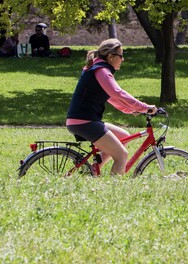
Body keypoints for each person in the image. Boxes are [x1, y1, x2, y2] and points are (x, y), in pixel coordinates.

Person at [65, 38, 157, 176]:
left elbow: (112, 98)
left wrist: (131, 110)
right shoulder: (101, 70)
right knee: (121, 155)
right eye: (121, 56)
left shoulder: (98, 68)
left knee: (123, 136)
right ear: (110, 56)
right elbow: (118, 93)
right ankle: (113, 191)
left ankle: (92, 172)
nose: (123, 59)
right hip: (85, 121)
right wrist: (144, 107)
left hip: (84, 120)